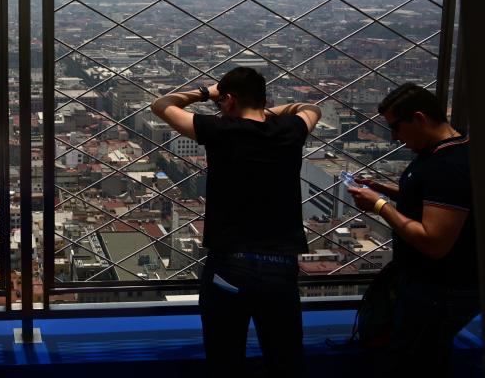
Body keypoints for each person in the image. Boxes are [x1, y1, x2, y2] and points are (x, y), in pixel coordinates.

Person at [152, 67, 321, 377]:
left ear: (228, 100)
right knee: (284, 359)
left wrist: (206, 92)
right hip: (280, 265)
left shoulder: (220, 130)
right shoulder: (291, 131)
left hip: (231, 263)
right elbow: (311, 108)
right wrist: (267, 112)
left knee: (225, 358)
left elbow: (161, 105)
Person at [348, 83, 477, 376]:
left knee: (416, 362)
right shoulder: (450, 151)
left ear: (419, 118)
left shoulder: (447, 166)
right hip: (435, 289)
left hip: (438, 293)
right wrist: (386, 190)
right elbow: (431, 201)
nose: (393, 137)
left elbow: (435, 242)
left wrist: (380, 205)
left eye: (396, 127)